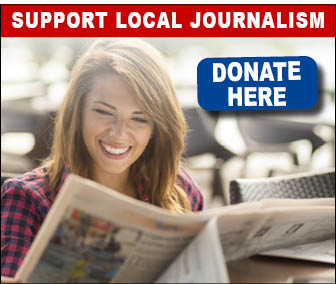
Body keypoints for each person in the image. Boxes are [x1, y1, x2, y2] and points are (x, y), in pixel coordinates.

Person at [1, 38, 204, 281]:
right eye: (104, 112)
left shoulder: (180, 190)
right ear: (77, 113)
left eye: (139, 119)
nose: (118, 134)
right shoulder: (27, 198)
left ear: (157, 128)